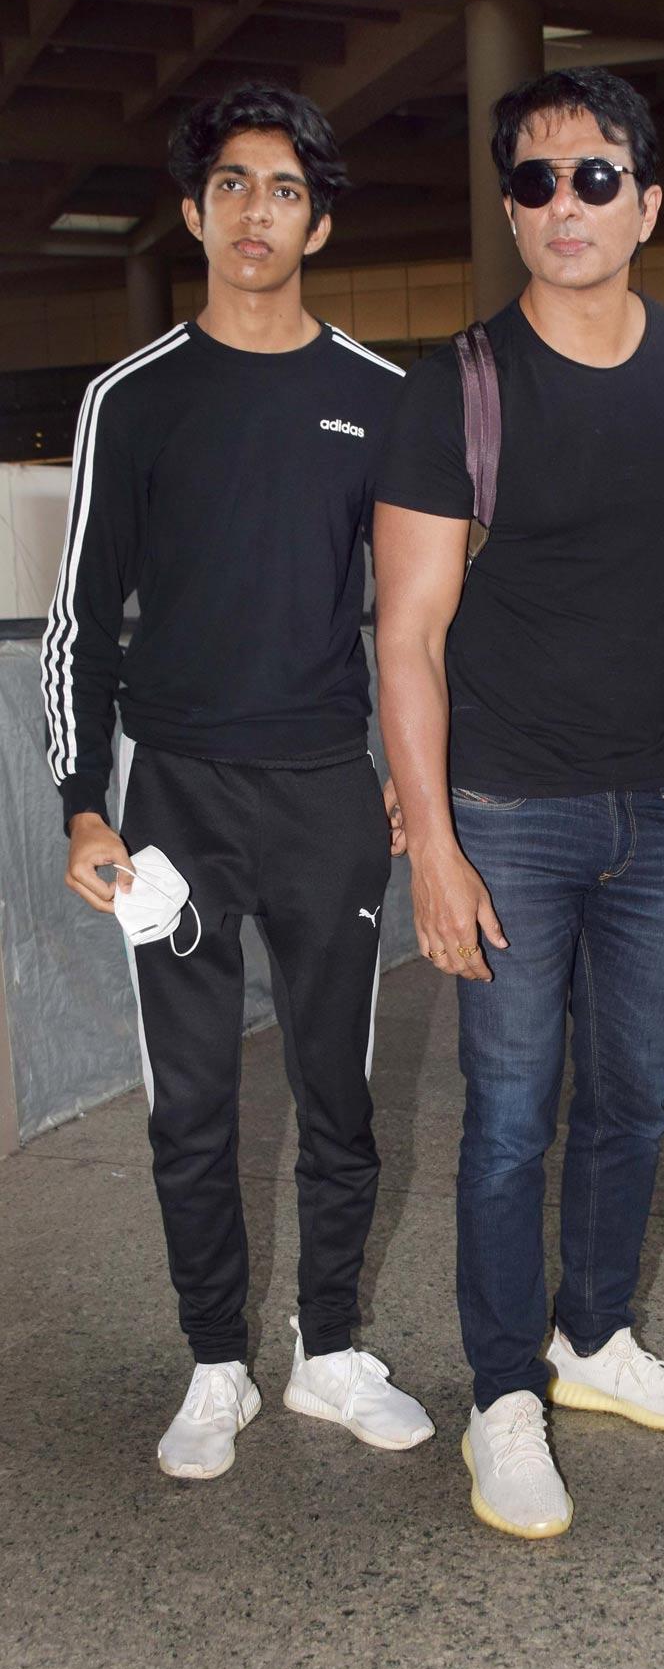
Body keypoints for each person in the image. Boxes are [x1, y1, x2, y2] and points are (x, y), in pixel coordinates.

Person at [374, 66, 664, 1541]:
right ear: (510, 209)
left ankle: (591, 1339)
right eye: (537, 181)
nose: (565, 205)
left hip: (661, 814)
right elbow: (407, 634)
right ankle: (503, 1394)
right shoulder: (459, 386)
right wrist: (432, 843)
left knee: (635, 1098)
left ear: (647, 203)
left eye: (594, 178)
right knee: (503, 1119)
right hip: (508, 810)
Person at [39, 83, 432, 1480]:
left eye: (283, 189)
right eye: (230, 185)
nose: (254, 210)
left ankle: (329, 1352)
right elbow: (83, 619)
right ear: (196, 210)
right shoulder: (131, 398)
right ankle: (216, 1361)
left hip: (330, 792)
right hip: (179, 803)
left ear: (315, 220)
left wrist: (412, 781)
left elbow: (421, 621)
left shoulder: (382, 400)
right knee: (191, 1104)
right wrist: (86, 800)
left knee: (339, 1092)